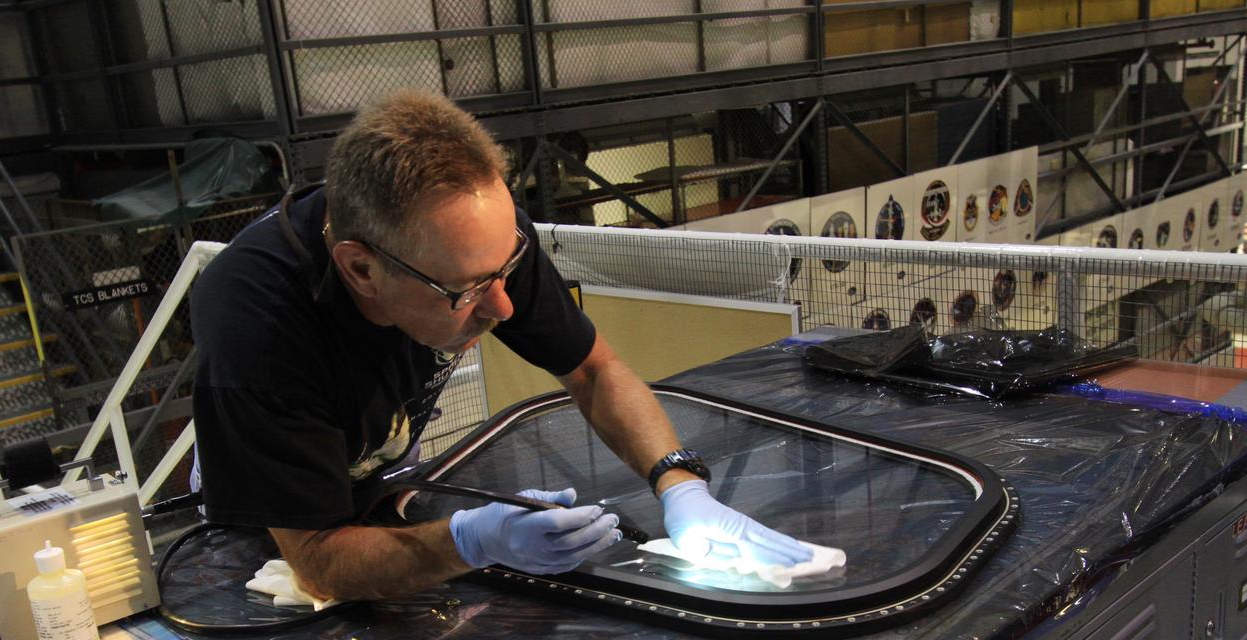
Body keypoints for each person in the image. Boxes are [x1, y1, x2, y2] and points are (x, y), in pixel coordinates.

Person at [190, 89, 811, 602]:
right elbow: (318, 563)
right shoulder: (258, 331)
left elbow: (592, 370)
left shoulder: (479, 244)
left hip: (375, 466)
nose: (504, 307)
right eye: (465, 291)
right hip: (274, 518)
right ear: (361, 270)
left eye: (505, 270)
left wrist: (678, 482)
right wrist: (471, 541)